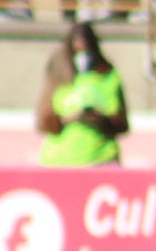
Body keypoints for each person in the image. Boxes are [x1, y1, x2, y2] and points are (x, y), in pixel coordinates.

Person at [35, 21, 129, 167]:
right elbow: (44, 121)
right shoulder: (57, 77)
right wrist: (69, 118)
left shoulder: (107, 75)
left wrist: (98, 118)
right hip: (59, 161)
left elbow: (121, 123)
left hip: (101, 159)